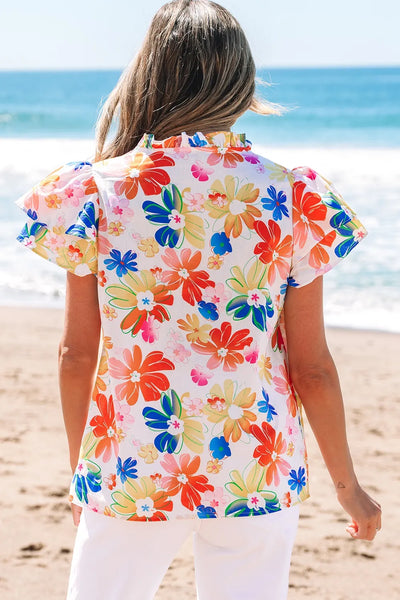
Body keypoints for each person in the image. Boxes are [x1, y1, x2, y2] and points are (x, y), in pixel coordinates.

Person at [15, 1, 381, 599]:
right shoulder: (290, 195)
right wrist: (349, 487)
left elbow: (75, 355)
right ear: (241, 83)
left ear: (150, 76)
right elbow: (311, 366)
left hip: (131, 463)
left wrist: (84, 472)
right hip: (254, 467)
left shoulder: (96, 192)